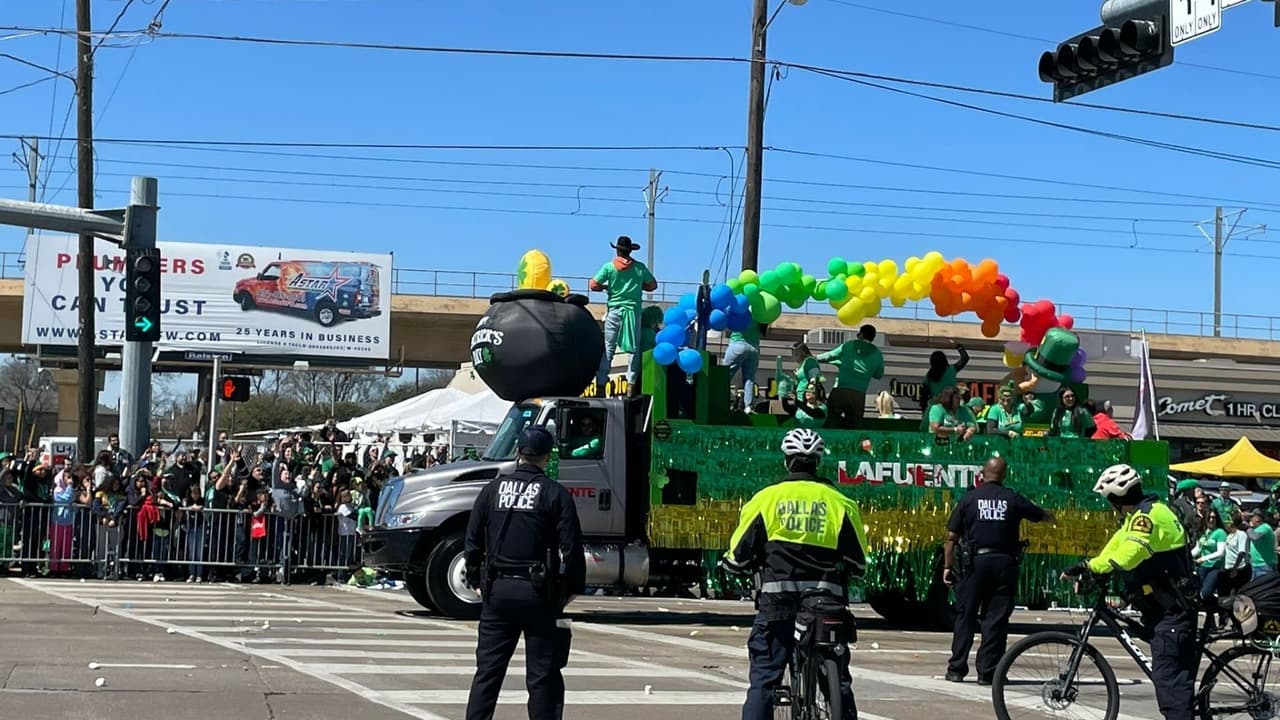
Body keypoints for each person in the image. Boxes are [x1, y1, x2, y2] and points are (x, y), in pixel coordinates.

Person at [723, 428, 868, 720]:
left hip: (777, 602)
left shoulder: (765, 499)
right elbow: (859, 562)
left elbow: (738, 556)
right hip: (825, 602)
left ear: (787, 461)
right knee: (838, 681)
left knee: (764, 680)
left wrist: (730, 566)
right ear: (817, 462)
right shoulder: (840, 502)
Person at [463, 427, 585, 720]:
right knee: (543, 676)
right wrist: (569, 590)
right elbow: (572, 550)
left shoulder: (492, 490)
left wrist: (478, 579)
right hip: (539, 593)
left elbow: (472, 540)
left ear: (518, 452)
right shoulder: (555, 494)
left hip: (498, 590)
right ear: (547, 456)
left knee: (488, 674)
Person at [1063, 464, 1197, 720]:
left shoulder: (1148, 517)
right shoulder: (1137, 517)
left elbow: (1129, 554)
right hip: (1162, 608)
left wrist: (1088, 566)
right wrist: (1090, 567)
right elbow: (1114, 548)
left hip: (1173, 612)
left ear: (1117, 498)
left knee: (1169, 681)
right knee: (1170, 678)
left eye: (1109, 499)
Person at [943, 457, 1054, 685]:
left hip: (974, 564)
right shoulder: (1012, 498)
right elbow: (1039, 514)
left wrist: (947, 567)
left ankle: (956, 669)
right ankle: (987, 672)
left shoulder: (968, 499)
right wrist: (1053, 516)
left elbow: (951, 538)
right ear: (1004, 475)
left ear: (983, 474)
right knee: (995, 619)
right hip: (1004, 564)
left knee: (965, 616)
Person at [590, 236, 658, 395]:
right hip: (632, 312)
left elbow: (593, 285)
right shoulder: (639, 268)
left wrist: (606, 287)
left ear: (617, 250)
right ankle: (631, 384)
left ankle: (600, 383)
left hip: (614, 311)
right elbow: (653, 285)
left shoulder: (608, 267)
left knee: (609, 348)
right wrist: (639, 286)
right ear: (630, 251)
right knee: (633, 348)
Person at [817, 324, 884, 429]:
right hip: (858, 395)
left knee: (831, 423)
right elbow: (878, 374)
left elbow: (829, 356)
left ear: (861, 334)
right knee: (853, 428)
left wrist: (814, 357)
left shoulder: (848, 345)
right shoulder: (877, 354)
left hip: (840, 391)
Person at [724, 320, 763, 412]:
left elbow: (728, 329)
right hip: (754, 348)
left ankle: (722, 402)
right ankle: (748, 406)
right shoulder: (758, 314)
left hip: (737, 343)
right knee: (749, 378)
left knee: (725, 375)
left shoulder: (740, 310)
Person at [1191, 511, 1226, 604]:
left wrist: (1204, 558)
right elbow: (1198, 549)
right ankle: (1210, 616)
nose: (1211, 520)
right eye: (1209, 517)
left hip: (1216, 567)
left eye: (1214, 517)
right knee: (1199, 594)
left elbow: (1221, 553)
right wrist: (1188, 556)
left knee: (1205, 593)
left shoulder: (1220, 532)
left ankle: (1222, 608)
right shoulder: (1203, 532)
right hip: (1203, 567)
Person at [922, 342, 970, 410]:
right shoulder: (951, 370)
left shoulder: (929, 376)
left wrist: (924, 410)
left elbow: (924, 396)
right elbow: (965, 358)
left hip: (935, 406)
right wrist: (959, 347)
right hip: (951, 406)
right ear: (945, 360)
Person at [1168, 478, 1202, 544]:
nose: (1195, 491)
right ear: (1188, 491)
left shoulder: (1195, 502)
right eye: (1193, 489)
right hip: (1186, 537)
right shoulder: (1179, 503)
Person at [1246, 509, 1276, 580]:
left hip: (1264, 566)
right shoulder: (1257, 529)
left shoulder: (1265, 527)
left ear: (1257, 518)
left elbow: (1254, 537)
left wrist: (1249, 528)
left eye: (1252, 517)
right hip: (1256, 565)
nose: (1250, 519)